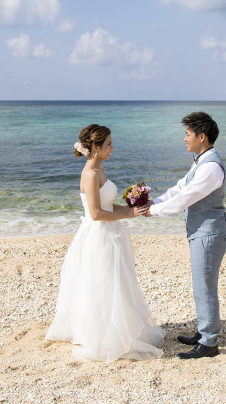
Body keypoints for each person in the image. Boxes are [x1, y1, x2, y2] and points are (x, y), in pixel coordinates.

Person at [45, 124, 164, 362]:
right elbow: (97, 214)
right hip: (98, 236)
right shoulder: (89, 174)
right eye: (108, 144)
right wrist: (129, 215)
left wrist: (135, 208)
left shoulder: (101, 169)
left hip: (112, 233)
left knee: (116, 282)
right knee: (100, 284)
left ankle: (121, 328)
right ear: (96, 148)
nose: (112, 147)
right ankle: (100, 336)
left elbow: (109, 207)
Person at [146, 112, 226, 359]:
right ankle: (204, 333)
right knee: (200, 285)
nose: (184, 139)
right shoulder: (201, 160)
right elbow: (180, 187)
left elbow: (186, 198)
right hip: (201, 233)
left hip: (209, 234)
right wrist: (155, 201)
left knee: (205, 287)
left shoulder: (211, 167)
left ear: (201, 136)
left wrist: (153, 211)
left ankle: (209, 343)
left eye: (187, 134)